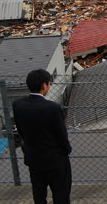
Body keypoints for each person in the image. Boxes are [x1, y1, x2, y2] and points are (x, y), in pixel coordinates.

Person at [12, 69, 72, 204]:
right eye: (49, 84)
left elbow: (20, 131)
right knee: (61, 194)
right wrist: (67, 149)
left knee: (39, 194)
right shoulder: (52, 107)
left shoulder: (18, 105)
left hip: (33, 157)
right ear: (44, 86)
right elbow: (61, 134)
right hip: (55, 159)